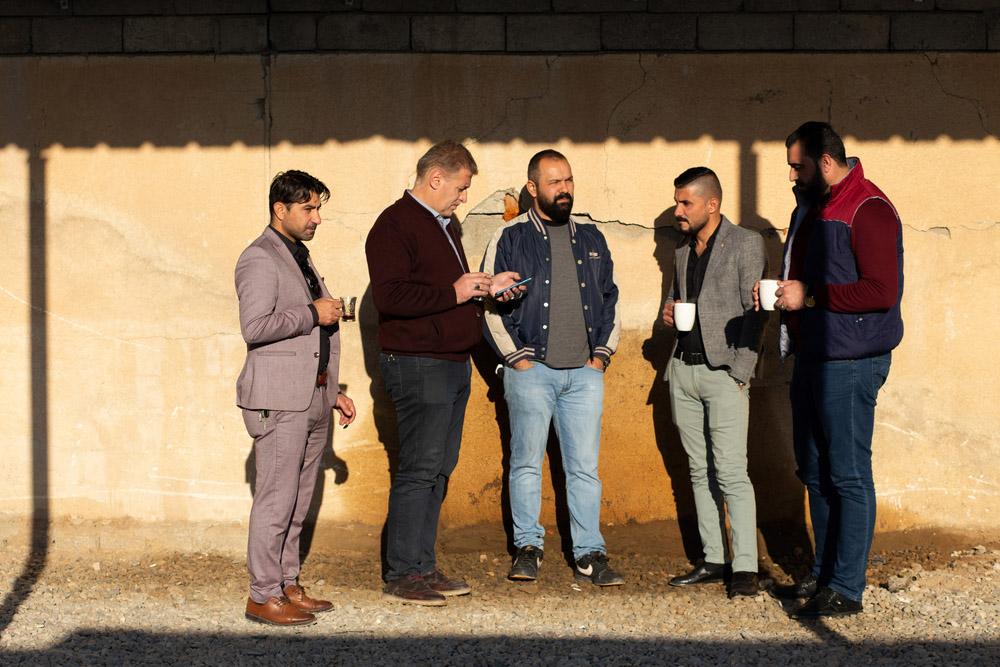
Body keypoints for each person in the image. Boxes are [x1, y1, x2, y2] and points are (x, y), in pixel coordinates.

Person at [366, 140, 523, 606]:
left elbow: (443, 288)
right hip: (419, 364)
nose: (463, 198)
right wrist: (456, 292)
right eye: (460, 187)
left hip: (451, 362)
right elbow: (391, 298)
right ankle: (402, 573)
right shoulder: (393, 225)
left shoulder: (445, 225)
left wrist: (486, 287)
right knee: (418, 469)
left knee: (438, 469)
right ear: (436, 178)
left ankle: (421, 564)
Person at [761, 122, 904, 618]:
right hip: (814, 357)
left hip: (851, 360)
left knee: (847, 474)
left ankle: (847, 584)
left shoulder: (868, 208)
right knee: (816, 472)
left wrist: (811, 295)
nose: (792, 176)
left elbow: (882, 291)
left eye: (797, 166)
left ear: (825, 161)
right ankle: (823, 573)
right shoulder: (811, 208)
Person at [482, 149, 625, 587]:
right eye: (554, 182)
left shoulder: (592, 238)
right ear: (533, 189)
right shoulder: (508, 238)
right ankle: (528, 547)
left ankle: (589, 552)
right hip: (532, 369)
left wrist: (601, 356)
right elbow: (489, 304)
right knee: (524, 463)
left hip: (584, 374)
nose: (564, 189)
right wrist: (515, 358)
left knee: (583, 467)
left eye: (568, 180)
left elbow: (610, 299)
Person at [236, 170, 357, 626]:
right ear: (279, 210)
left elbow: (314, 341)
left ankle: (286, 584)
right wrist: (312, 312)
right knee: (275, 500)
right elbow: (256, 328)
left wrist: (333, 390)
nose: (317, 218)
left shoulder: (299, 256)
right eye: (308, 208)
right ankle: (261, 595)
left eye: (318, 208)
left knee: (298, 499)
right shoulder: (259, 258)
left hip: (313, 397)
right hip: (278, 400)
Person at [661, 167, 768, 598]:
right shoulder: (682, 252)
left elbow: (758, 311)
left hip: (725, 373)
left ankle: (745, 568)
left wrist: (740, 371)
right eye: (677, 201)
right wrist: (668, 313)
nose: (678, 210)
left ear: (712, 204)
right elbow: (674, 299)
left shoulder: (746, 244)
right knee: (697, 470)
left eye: (686, 202)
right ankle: (713, 559)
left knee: (730, 472)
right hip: (682, 371)